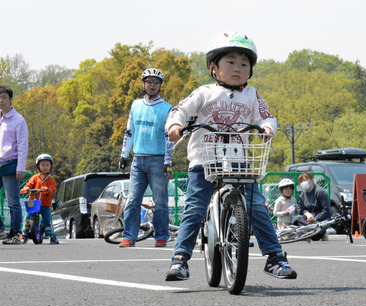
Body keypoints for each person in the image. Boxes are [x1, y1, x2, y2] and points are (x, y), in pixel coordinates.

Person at [163, 31, 296, 281]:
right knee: (194, 208)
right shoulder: (204, 92)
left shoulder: (252, 94)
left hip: (238, 161)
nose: (238, 69)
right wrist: (174, 126)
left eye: (244, 64)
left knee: (256, 206)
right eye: (231, 63)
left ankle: (275, 258)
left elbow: (266, 116)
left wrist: (267, 128)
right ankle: (180, 259)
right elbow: (180, 110)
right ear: (214, 68)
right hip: (204, 161)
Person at [118, 68, 173, 248]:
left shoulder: (167, 109)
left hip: (158, 160)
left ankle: (161, 236)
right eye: (149, 81)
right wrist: (123, 156)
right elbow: (129, 132)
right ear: (143, 83)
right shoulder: (135, 105)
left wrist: (168, 161)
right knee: (133, 199)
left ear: (160, 86)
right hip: (138, 160)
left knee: (160, 202)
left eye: (156, 82)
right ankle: (129, 237)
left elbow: (169, 137)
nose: (152, 85)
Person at [0, 86, 28, 244]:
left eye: (4, 97)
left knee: (13, 201)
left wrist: (21, 168)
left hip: (11, 163)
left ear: (10, 99)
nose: (1, 101)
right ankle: (1, 230)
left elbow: (23, 146)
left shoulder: (18, 120)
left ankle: (15, 233)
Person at [20, 154, 58, 244]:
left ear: (51, 166)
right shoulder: (35, 178)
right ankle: (24, 234)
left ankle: (52, 236)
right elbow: (28, 185)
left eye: (47, 165)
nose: (45, 167)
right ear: (38, 166)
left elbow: (52, 190)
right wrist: (26, 189)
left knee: (47, 221)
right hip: (33, 203)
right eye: (43, 165)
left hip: (45, 204)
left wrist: (47, 190)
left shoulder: (51, 180)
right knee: (27, 218)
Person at [293, 172, 332, 241]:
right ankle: (308, 231)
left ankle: (314, 231)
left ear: (311, 180)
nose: (303, 183)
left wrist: (315, 219)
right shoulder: (302, 195)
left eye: (305, 180)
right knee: (296, 218)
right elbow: (302, 210)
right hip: (308, 221)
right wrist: (308, 214)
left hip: (319, 221)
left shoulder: (320, 192)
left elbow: (327, 211)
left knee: (315, 233)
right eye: (301, 181)